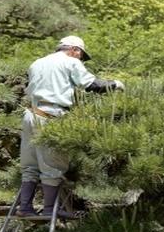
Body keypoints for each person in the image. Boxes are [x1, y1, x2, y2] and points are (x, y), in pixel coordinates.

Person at [16, 35, 124, 219]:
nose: (81, 59)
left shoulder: (37, 62)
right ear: (75, 50)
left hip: (30, 115)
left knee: (30, 165)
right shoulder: (70, 62)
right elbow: (91, 85)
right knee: (53, 164)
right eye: (81, 55)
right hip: (51, 116)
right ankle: (50, 209)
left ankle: (24, 208)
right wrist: (115, 84)